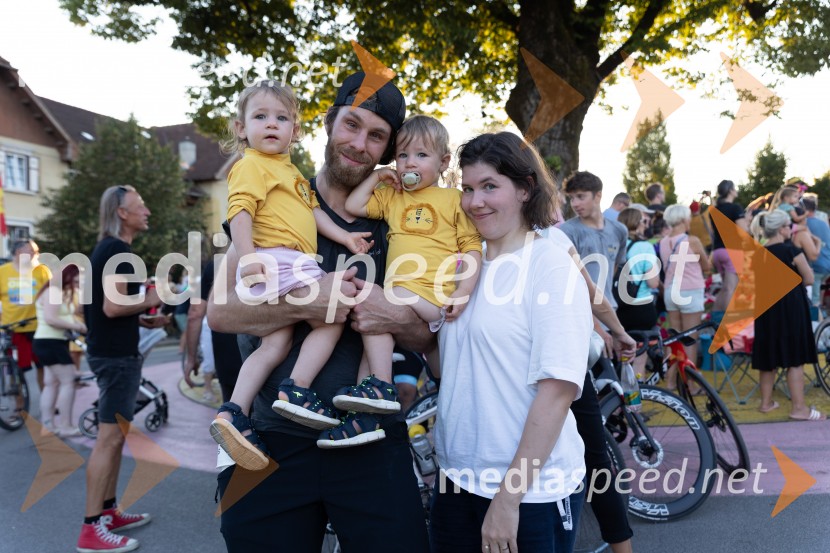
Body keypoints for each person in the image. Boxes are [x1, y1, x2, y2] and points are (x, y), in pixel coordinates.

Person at [207, 72, 430, 552]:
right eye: (351, 125)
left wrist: (388, 312)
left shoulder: (399, 223)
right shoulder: (274, 190)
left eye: (376, 136)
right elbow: (220, 313)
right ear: (328, 124)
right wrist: (304, 302)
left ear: (389, 150)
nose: (359, 144)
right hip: (268, 440)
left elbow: (429, 336)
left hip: (368, 439)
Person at [430, 132, 592, 553]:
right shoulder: (464, 266)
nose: (474, 201)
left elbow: (557, 393)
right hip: (455, 477)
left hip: (527, 493)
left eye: (489, 186)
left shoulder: (549, 265)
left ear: (525, 189)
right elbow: (453, 366)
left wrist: (507, 499)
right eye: (466, 188)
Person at [211, 81, 384, 470]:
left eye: (281, 118)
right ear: (241, 128)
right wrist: (248, 256)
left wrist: (345, 238)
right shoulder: (250, 165)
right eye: (260, 117)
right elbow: (239, 212)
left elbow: (314, 215)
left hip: (286, 262)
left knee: (274, 345)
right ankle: (296, 390)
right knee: (330, 312)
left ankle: (233, 412)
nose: (271, 125)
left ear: (295, 130)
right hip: (282, 260)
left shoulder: (289, 174)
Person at [344, 114, 482, 376]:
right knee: (375, 323)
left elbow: (472, 246)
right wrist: (376, 177)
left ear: (443, 162)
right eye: (403, 156)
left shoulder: (453, 199)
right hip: (401, 295)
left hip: (434, 298)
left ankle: (381, 385)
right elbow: (354, 205)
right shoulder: (394, 196)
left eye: (421, 155)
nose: (409, 163)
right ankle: (368, 392)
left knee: (378, 303)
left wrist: (463, 291)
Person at [76, 184, 167, 553]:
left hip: (114, 353)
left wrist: (141, 321)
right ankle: (90, 529)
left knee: (115, 440)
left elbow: (99, 309)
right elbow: (114, 307)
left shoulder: (109, 251)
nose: (146, 211)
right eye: (140, 205)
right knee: (109, 440)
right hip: (115, 359)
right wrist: (153, 298)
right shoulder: (116, 250)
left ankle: (108, 511)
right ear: (121, 213)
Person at [749, 210, 825, 421]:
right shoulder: (790, 250)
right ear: (782, 228)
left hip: (765, 307)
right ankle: (798, 408)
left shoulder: (758, 253)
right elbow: (809, 278)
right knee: (795, 358)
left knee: (768, 355)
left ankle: (766, 403)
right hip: (790, 306)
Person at [561, 171, 628, 312]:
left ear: (598, 195)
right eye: (572, 198)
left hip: (609, 309)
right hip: (578, 311)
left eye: (580, 196)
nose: (575, 203)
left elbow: (615, 265)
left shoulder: (619, 230)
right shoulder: (566, 231)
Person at [34, 264, 86, 437]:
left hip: (51, 341)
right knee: (68, 381)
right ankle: (65, 426)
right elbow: (51, 319)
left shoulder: (60, 292)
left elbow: (64, 314)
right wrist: (77, 327)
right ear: (68, 277)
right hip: (51, 342)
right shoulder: (53, 292)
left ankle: (48, 426)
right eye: (77, 279)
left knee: (51, 383)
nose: (79, 283)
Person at [184, 253, 242, 404]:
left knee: (233, 418)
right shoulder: (283, 258)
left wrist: (191, 358)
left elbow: (195, 313)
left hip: (229, 364)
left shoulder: (218, 263)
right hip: (277, 366)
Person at [659, 204, 710, 374]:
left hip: (670, 290)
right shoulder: (692, 241)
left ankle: (672, 380)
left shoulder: (663, 241)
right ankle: (691, 383)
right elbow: (706, 266)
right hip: (689, 290)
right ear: (682, 220)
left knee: (675, 338)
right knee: (690, 340)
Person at [0, 239, 50, 394]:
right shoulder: (3, 272)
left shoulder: (42, 270)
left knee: (44, 368)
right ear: (18, 253)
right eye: (31, 251)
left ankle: (46, 401)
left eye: (36, 251)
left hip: (39, 327)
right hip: (14, 329)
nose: (36, 255)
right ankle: (19, 408)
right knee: (16, 372)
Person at [615, 207, 660, 333]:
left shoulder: (614, 245)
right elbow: (653, 283)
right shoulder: (645, 247)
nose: (645, 225)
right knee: (641, 349)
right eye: (643, 221)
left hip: (617, 306)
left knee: (623, 349)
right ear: (637, 223)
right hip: (641, 305)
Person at [709, 179, 749, 315]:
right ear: (731, 191)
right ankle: (728, 321)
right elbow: (743, 232)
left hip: (717, 252)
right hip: (732, 251)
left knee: (725, 288)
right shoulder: (735, 208)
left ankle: (714, 318)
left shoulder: (714, 210)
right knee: (731, 288)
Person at [802, 194, 830, 306]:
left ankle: (815, 321)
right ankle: (821, 316)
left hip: (816, 266)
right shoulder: (823, 223)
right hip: (827, 264)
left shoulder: (806, 224)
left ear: (805, 209)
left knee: (813, 301)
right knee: (818, 296)